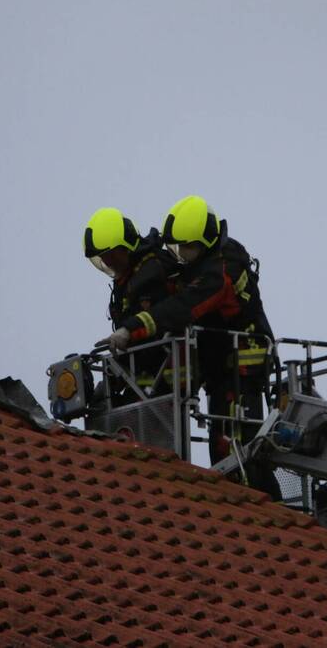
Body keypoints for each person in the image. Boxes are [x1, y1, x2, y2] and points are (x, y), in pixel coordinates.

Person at [96, 195, 280, 499]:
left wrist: (132, 328)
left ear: (206, 241)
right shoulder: (206, 262)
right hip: (220, 366)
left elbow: (184, 306)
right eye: (176, 248)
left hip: (241, 368)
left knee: (237, 450)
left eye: (186, 247)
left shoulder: (221, 272)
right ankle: (244, 508)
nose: (180, 255)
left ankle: (265, 510)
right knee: (224, 450)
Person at [84, 207, 176, 401]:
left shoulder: (150, 273)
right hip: (143, 381)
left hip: (163, 378)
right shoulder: (129, 277)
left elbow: (150, 338)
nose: (108, 263)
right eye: (103, 259)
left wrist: (115, 370)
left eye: (111, 256)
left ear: (126, 246)